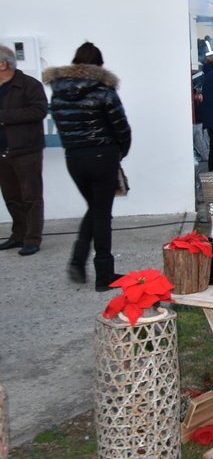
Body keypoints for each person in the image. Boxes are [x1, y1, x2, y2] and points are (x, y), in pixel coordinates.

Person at [43, 42, 132, 290]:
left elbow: (61, 124)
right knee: (101, 214)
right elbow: (121, 126)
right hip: (102, 156)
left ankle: (78, 260)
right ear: (99, 64)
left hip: (74, 157)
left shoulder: (57, 91)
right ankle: (104, 274)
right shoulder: (104, 89)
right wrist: (120, 152)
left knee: (94, 208)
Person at [0, 45, 48, 256]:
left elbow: (39, 111)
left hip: (26, 150)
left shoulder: (29, 85)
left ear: (3, 64)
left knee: (31, 196)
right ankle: (18, 235)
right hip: (2, 151)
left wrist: (4, 117)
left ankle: (32, 239)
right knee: (11, 196)